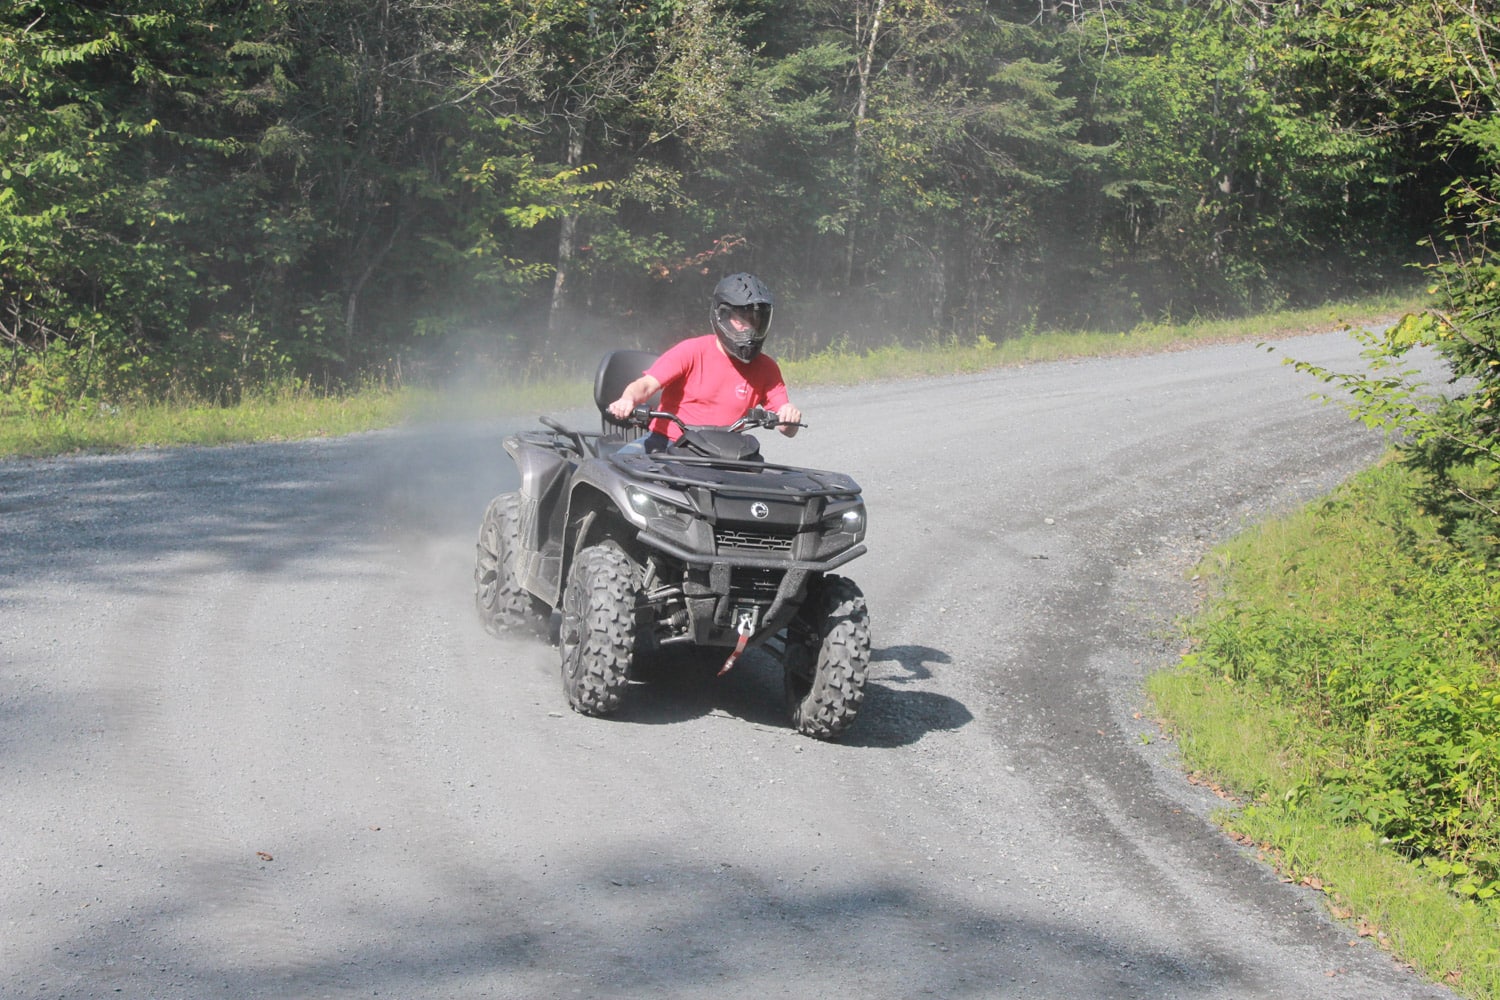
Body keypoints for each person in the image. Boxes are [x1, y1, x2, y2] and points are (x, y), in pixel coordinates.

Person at [607, 272, 803, 452]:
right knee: (618, 468)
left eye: (755, 321)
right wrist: (628, 400)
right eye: (742, 321)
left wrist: (789, 414)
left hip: (726, 452)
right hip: (668, 443)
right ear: (722, 317)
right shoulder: (692, 351)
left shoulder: (766, 368)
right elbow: (646, 385)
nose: (749, 330)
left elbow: (787, 428)